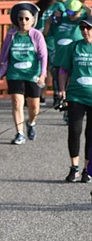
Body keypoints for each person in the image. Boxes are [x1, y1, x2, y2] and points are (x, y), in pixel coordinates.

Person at [0, 3, 48, 145]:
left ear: (32, 20)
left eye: (26, 18)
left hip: (33, 75)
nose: (23, 22)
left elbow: (43, 56)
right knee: (17, 102)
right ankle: (19, 133)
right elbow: (3, 55)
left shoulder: (37, 35)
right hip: (15, 74)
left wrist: (43, 74)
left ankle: (31, 122)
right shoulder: (11, 35)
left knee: (34, 106)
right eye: (20, 19)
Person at [57, 14, 92, 181]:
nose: (85, 31)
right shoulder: (74, 47)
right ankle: (74, 167)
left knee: (90, 134)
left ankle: (87, 169)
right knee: (74, 131)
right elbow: (64, 70)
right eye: (82, 28)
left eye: (88, 28)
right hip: (76, 95)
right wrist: (61, 90)